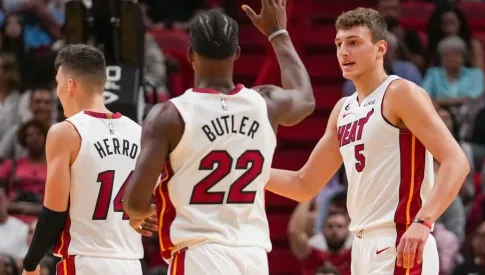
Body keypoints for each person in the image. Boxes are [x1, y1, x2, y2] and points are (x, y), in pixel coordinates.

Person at [266, 8, 470, 275]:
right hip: (361, 245)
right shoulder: (342, 109)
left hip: (400, 237)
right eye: (339, 44)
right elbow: (304, 184)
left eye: (354, 43)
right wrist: (251, 172)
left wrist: (424, 221)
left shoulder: (400, 93)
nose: (344, 52)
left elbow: (457, 161)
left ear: (380, 48)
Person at [123, 1, 315, 274]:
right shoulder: (265, 103)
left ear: (190, 54)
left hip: (199, 253)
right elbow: (305, 99)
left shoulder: (169, 115)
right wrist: (278, 33)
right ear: (237, 53)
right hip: (253, 255)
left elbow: (134, 202)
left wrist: (139, 213)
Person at [20, 44, 152, 275]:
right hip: (131, 264)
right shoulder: (139, 132)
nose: (57, 91)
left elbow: (54, 213)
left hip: (86, 262)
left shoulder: (66, 132)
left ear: (70, 85)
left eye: (58, 83)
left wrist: (31, 263)